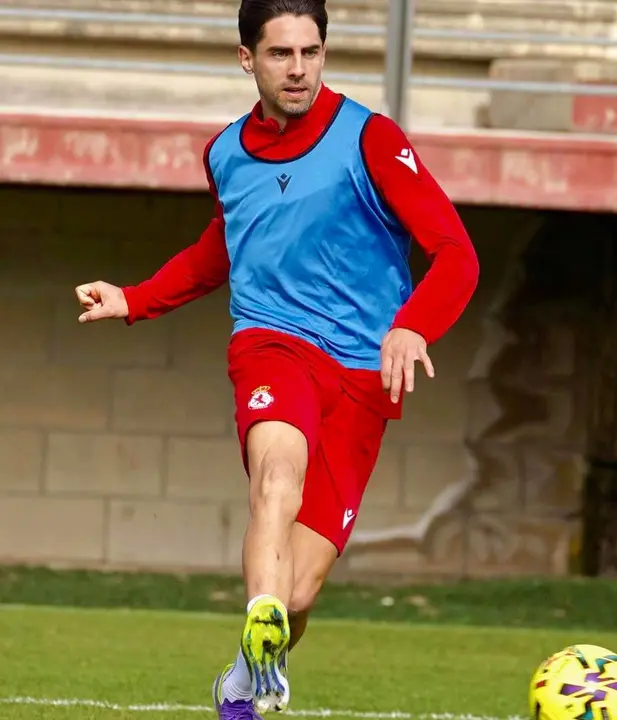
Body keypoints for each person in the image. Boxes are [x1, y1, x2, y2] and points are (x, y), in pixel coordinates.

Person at [72, 0, 480, 717]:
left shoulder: (370, 139)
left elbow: (456, 253)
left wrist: (412, 327)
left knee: (301, 592)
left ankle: (250, 665)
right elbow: (225, 246)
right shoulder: (225, 153)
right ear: (247, 59)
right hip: (273, 343)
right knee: (276, 475)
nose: (297, 69)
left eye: (310, 53)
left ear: (323, 54)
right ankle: (259, 611)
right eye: (280, 54)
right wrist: (136, 299)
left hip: (365, 373)